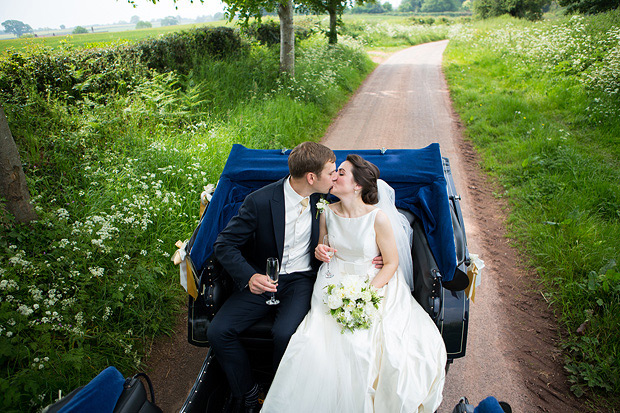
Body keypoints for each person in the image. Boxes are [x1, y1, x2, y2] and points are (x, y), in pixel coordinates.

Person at [261, 154, 447, 413]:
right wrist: (320, 252)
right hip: (332, 281)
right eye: (334, 172)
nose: (334, 177)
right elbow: (323, 246)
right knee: (314, 340)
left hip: (373, 282)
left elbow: (391, 263)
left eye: (341, 173)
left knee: (366, 346)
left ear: (358, 185)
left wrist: (366, 294)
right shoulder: (326, 211)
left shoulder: (378, 218)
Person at [209, 141, 337, 413]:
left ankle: (282, 399)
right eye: (331, 172)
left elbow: (360, 215)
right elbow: (224, 244)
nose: (334, 177)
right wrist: (250, 276)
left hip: (301, 280)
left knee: (285, 333)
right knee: (218, 332)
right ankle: (248, 392)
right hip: (264, 279)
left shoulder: (327, 198)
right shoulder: (260, 201)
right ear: (311, 177)